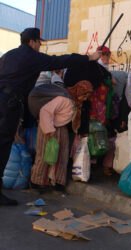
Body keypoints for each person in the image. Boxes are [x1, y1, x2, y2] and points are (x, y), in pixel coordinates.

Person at [0, 27, 101, 205]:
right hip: (10, 103)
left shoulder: (8, 55)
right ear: (32, 42)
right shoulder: (31, 57)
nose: (40, 45)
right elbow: (61, 60)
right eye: (39, 42)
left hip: (3, 99)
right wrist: (89, 57)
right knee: (3, 144)